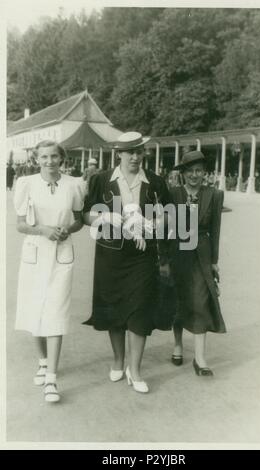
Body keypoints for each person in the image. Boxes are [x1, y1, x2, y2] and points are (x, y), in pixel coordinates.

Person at [83, 131, 171, 393]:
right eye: (130, 151)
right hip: (111, 255)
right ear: (118, 153)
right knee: (114, 307)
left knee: (140, 309)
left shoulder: (154, 182)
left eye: (139, 151)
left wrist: (152, 223)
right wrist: (105, 218)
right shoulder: (101, 180)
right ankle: (118, 361)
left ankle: (135, 370)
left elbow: (168, 214)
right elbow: (86, 214)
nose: (135, 156)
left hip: (143, 256)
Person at [14, 140, 84, 403]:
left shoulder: (73, 184)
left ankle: (52, 379)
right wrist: (43, 230)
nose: (49, 161)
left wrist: (68, 229)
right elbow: (20, 225)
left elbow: (79, 219)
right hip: (34, 252)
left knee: (56, 310)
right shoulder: (26, 184)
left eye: (54, 156)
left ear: (62, 158)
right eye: (44, 157)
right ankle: (42, 362)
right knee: (35, 310)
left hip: (61, 255)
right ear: (36, 159)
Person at [170, 150, 226, 376]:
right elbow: (166, 229)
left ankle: (200, 358)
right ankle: (177, 345)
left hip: (201, 254)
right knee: (177, 299)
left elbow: (215, 230)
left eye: (199, 171)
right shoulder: (172, 194)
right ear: (182, 173)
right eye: (190, 171)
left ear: (205, 173)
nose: (195, 175)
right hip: (177, 252)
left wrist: (214, 261)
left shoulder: (214, 194)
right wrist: (163, 259)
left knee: (201, 302)